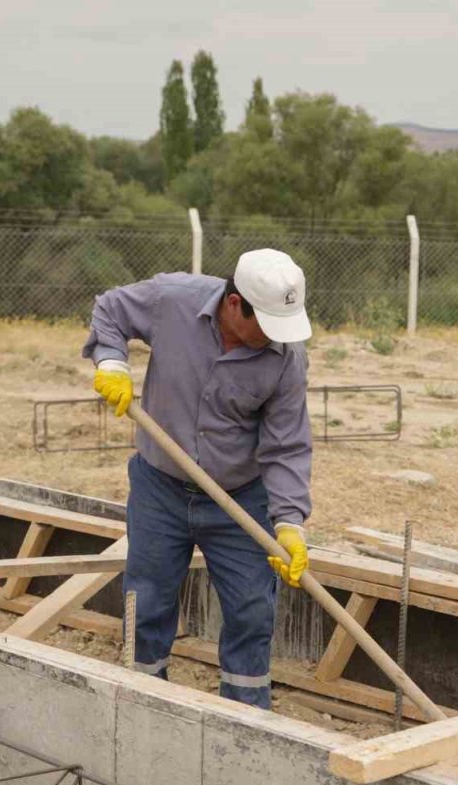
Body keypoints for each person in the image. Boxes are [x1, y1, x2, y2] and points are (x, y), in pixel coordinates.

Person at [82, 248, 313, 709]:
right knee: (145, 602)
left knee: (251, 609)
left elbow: (286, 445)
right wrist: (112, 362)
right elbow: (109, 309)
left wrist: (288, 522)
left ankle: (244, 717)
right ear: (234, 305)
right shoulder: (173, 300)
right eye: (265, 325)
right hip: (159, 488)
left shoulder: (285, 358)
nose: (274, 339)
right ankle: (142, 703)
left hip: (239, 500)